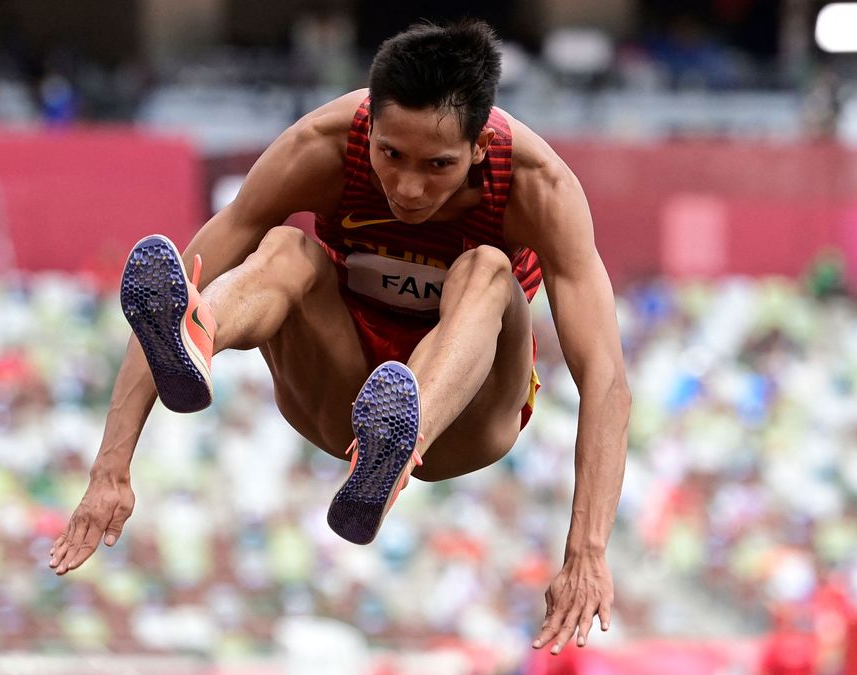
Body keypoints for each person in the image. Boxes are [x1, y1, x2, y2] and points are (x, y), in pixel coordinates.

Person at [47, 19, 631, 655]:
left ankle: (403, 439)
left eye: (437, 165)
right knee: (285, 249)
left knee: (487, 269)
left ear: (481, 148)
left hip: (468, 419)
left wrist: (587, 551)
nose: (408, 188)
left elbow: (604, 378)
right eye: (390, 155)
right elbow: (175, 283)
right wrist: (111, 467)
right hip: (340, 392)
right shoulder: (322, 147)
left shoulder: (538, 189)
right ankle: (203, 335)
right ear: (369, 128)